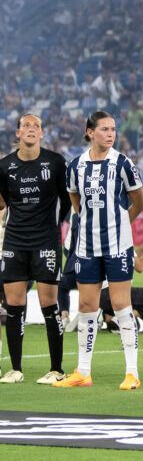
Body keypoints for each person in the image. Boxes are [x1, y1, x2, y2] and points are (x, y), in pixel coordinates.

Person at [53, 111, 143, 390]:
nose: (110, 134)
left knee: (120, 305)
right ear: (90, 132)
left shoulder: (122, 163)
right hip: (87, 246)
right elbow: (74, 199)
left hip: (118, 246)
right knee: (86, 306)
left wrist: (121, 225)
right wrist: (89, 222)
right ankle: (83, 372)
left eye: (113, 129)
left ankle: (132, 373)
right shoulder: (76, 165)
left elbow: (137, 201)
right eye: (104, 129)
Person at [0, 114, 71, 384]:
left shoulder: (55, 162)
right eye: (26, 126)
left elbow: (66, 200)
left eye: (36, 126)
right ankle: (15, 369)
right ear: (17, 133)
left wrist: (53, 225)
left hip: (46, 241)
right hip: (15, 241)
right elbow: (4, 201)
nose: (31, 129)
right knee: (13, 304)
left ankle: (57, 369)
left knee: (48, 304)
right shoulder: (5, 166)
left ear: (42, 133)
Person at [58, 212, 143, 332]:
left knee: (135, 325)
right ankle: (117, 317)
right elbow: (140, 266)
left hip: (98, 294)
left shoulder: (106, 240)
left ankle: (108, 316)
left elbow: (132, 259)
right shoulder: (122, 240)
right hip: (113, 292)